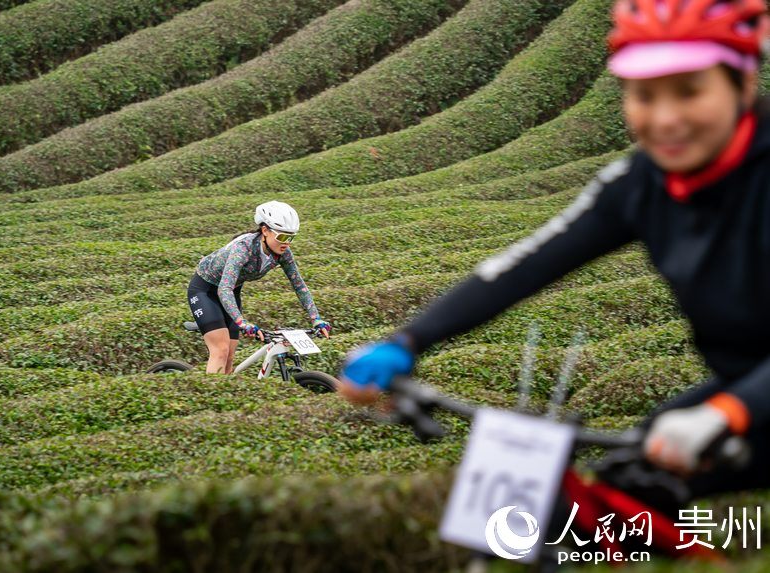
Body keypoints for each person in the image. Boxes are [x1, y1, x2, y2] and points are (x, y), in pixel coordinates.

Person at [340, 0, 770, 498]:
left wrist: (732, 410)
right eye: (643, 96)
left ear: (742, 85)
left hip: (747, 400)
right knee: (625, 492)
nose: (665, 118)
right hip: (742, 390)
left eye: (689, 92)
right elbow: (524, 266)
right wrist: (407, 341)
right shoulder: (637, 186)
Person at [188, 201, 331, 373]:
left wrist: (316, 318)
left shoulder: (283, 253)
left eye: (291, 238)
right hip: (205, 290)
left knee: (230, 356)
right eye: (282, 237)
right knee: (221, 351)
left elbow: (299, 286)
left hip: (232, 292)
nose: (287, 243)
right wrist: (242, 322)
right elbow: (224, 289)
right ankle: (209, 397)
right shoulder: (243, 249)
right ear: (265, 231)